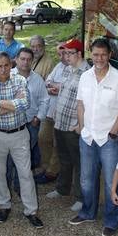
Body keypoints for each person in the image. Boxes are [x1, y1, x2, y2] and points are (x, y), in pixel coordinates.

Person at [74, 38, 118, 236]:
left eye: (103, 54)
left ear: (110, 55)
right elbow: (80, 104)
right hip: (88, 137)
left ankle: (112, 220)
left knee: (111, 183)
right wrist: (82, 129)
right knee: (86, 180)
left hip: (110, 140)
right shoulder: (85, 77)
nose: (99, 58)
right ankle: (87, 212)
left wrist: (113, 134)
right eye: (95, 54)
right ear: (91, 54)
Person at [0, 52, 43, 228]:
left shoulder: (20, 81)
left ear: (11, 64)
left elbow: (24, 104)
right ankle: (4, 205)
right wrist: (11, 104)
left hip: (19, 133)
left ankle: (31, 210)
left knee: (25, 173)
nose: (3, 69)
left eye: (6, 65)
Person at [45, 40, 88, 209]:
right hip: (60, 122)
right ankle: (62, 189)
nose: (66, 56)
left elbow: (86, 102)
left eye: (70, 53)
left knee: (78, 161)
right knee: (64, 158)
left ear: (79, 54)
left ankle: (80, 197)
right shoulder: (69, 69)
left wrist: (80, 124)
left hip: (73, 125)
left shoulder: (87, 73)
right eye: (65, 53)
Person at [9, 46, 48, 188]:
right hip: (11, 124)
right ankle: (6, 186)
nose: (25, 62)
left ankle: (20, 186)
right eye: (22, 59)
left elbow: (45, 100)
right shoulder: (7, 76)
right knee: (9, 157)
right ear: (16, 60)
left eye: (28, 60)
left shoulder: (37, 79)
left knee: (25, 158)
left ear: (32, 61)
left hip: (30, 124)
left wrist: (38, 118)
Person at [35, 43, 69, 184]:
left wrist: (56, 87)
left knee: (57, 143)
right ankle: (47, 166)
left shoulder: (76, 69)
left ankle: (52, 172)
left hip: (62, 113)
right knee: (43, 138)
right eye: (59, 54)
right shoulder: (58, 66)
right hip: (50, 109)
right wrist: (52, 86)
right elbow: (48, 80)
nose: (61, 57)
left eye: (64, 54)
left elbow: (69, 88)